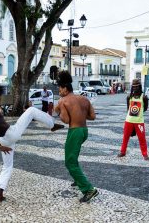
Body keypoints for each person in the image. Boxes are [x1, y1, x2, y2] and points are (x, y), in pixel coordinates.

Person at [0, 81, 64, 203]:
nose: (0, 98)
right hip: (11, 134)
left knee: (7, 166)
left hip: (4, 139)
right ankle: (52, 125)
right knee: (31, 110)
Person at [54, 71, 99, 203]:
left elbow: (66, 120)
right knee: (73, 157)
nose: (59, 91)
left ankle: (88, 189)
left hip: (74, 131)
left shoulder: (63, 100)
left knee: (69, 162)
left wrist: (59, 111)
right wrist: (79, 113)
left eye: (60, 89)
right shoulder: (84, 99)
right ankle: (76, 179)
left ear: (65, 88)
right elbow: (92, 117)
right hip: (84, 131)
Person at [117, 79, 149, 160]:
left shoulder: (144, 97)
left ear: (140, 87)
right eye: (133, 87)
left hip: (139, 122)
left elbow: (145, 109)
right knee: (125, 137)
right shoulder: (129, 97)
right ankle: (123, 152)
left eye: (136, 87)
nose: (135, 88)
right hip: (128, 121)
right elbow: (128, 108)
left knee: (142, 138)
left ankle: (145, 154)